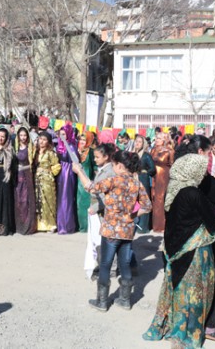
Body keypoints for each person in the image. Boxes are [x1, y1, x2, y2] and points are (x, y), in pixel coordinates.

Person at [143, 153, 215, 348]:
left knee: (176, 288)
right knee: (193, 293)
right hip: (194, 250)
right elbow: (212, 223)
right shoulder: (194, 194)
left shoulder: (174, 190)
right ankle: (186, 334)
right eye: (201, 172)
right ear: (193, 172)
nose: (203, 176)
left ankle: (172, 326)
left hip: (174, 248)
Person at [74, 150, 152, 312]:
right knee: (124, 264)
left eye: (114, 164)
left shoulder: (113, 181)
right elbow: (147, 206)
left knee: (105, 264)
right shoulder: (136, 183)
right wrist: (131, 215)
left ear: (120, 166)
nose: (112, 167)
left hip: (111, 229)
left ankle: (102, 301)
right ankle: (125, 299)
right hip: (128, 229)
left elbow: (90, 187)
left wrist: (79, 171)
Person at [83, 143, 116, 280]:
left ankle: (111, 268)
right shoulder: (102, 170)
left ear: (106, 157)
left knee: (108, 240)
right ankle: (106, 265)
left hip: (104, 210)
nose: (95, 160)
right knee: (102, 239)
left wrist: (95, 208)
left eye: (97, 157)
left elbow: (105, 196)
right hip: (100, 210)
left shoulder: (109, 172)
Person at [33, 131, 61, 232]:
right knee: (38, 201)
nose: (42, 141)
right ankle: (40, 225)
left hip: (47, 180)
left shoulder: (50, 153)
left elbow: (57, 166)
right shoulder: (34, 151)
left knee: (48, 201)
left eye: (44, 140)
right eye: (40, 139)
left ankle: (50, 224)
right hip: (36, 180)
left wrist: (49, 173)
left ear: (48, 142)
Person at [56, 124, 78, 234]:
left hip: (67, 174)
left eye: (64, 134)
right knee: (60, 199)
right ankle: (60, 224)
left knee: (66, 199)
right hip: (60, 173)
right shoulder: (59, 145)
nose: (62, 137)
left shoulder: (71, 147)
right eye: (60, 134)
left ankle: (67, 225)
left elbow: (75, 161)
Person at [131, 135, 156, 233]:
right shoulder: (132, 154)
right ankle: (134, 223)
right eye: (136, 141)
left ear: (143, 144)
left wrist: (145, 172)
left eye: (140, 142)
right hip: (132, 180)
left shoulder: (146, 155)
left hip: (143, 180)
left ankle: (143, 227)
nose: (137, 143)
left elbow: (153, 169)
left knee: (143, 201)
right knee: (133, 201)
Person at [14, 127, 36, 234]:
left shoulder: (31, 148)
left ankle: (28, 224)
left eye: (24, 135)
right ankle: (19, 224)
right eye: (21, 135)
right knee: (18, 199)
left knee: (26, 200)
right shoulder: (15, 147)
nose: (23, 137)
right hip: (17, 175)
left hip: (27, 175)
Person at [151, 132, 174, 232]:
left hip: (164, 176)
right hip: (153, 175)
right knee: (154, 198)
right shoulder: (153, 150)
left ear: (164, 140)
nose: (157, 140)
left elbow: (172, 165)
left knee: (161, 199)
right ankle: (155, 224)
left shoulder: (170, 151)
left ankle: (163, 225)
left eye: (159, 138)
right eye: (156, 138)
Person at [76, 131, 96, 233]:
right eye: (81, 139)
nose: (82, 141)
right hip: (77, 179)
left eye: (84, 140)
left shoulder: (91, 152)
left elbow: (95, 166)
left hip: (87, 179)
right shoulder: (76, 150)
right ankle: (80, 226)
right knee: (78, 203)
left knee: (85, 203)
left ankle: (87, 227)